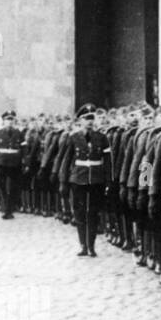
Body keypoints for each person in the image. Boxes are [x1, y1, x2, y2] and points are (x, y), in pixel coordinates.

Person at [56, 104, 113, 257]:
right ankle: (83, 245)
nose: (90, 121)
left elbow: (108, 162)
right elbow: (66, 161)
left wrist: (109, 181)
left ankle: (92, 246)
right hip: (78, 180)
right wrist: (63, 182)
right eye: (87, 118)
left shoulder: (102, 138)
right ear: (80, 120)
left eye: (92, 118)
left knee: (93, 213)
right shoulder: (73, 138)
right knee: (80, 213)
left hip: (96, 180)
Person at [0, 110, 25, 220]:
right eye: (7, 120)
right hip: (1, 164)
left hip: (15, 165)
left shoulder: (19, 133)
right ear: (4, 121)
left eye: (11, 120)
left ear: (14, 121)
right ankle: (6, 208)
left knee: (13, 187)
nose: (9, 122)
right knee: (2, 187)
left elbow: (24, 149)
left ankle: (9, 209)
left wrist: (25, 162)